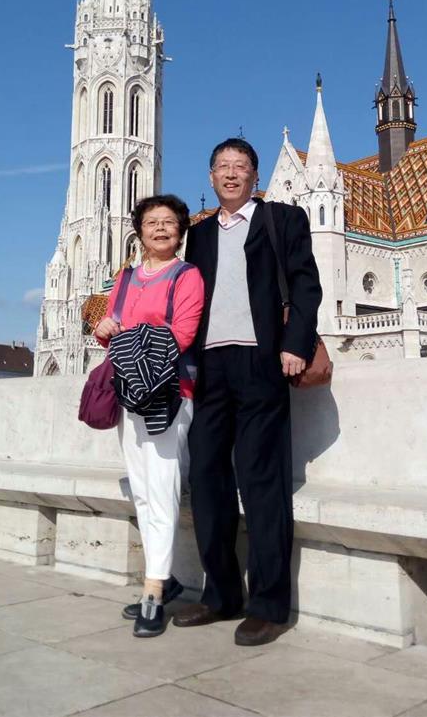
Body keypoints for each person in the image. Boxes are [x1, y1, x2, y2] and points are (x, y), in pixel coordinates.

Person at [172, 138, 322, 646]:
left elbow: (305, 284)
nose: (231, 174)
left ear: (255, 176)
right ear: (211, 177)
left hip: (263, 360)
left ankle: (268, 605)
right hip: (210, 367)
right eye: (223, 167)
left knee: (263, 484)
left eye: (240, 167)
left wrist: (295, 343)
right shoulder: (200, 235)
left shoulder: (282, 219)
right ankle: (220, 595)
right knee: (206, 480)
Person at [95, 194, 204, 638]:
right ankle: (164, 577)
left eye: (169, 222)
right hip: (127, 394)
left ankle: (154, 592)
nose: (160, 228)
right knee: (141, 491)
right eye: (152, 222)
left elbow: (183, 334)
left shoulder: (187, 275)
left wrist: (129, 337)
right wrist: (104, 329)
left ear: (180, 231)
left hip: (167, 393)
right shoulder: (125, 278)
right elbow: (110, 327)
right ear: (139, 232)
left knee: (162, 488)